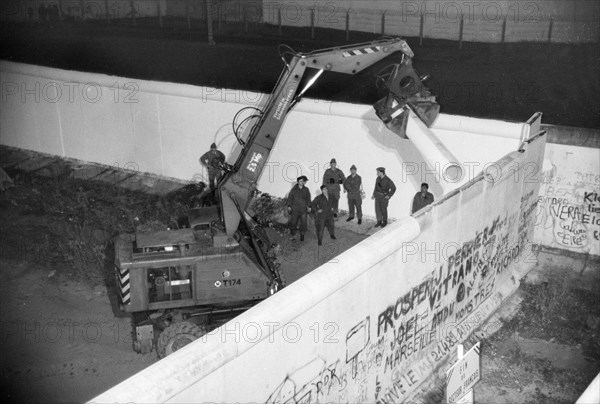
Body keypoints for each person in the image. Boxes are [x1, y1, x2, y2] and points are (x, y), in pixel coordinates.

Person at [287, 176, 311, 241]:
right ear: (298, 182)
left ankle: (302, 234)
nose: (302, 182)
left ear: (304, 182)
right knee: (293, 223)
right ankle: (292, 234)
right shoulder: (294, 190)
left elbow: (308, 199)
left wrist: (309, 206)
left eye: (303, 181)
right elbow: (290, 198)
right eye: (300, 181)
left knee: (303, 223)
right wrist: (289, 206)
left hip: (303, 209)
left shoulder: (306, 189)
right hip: (295, 210)